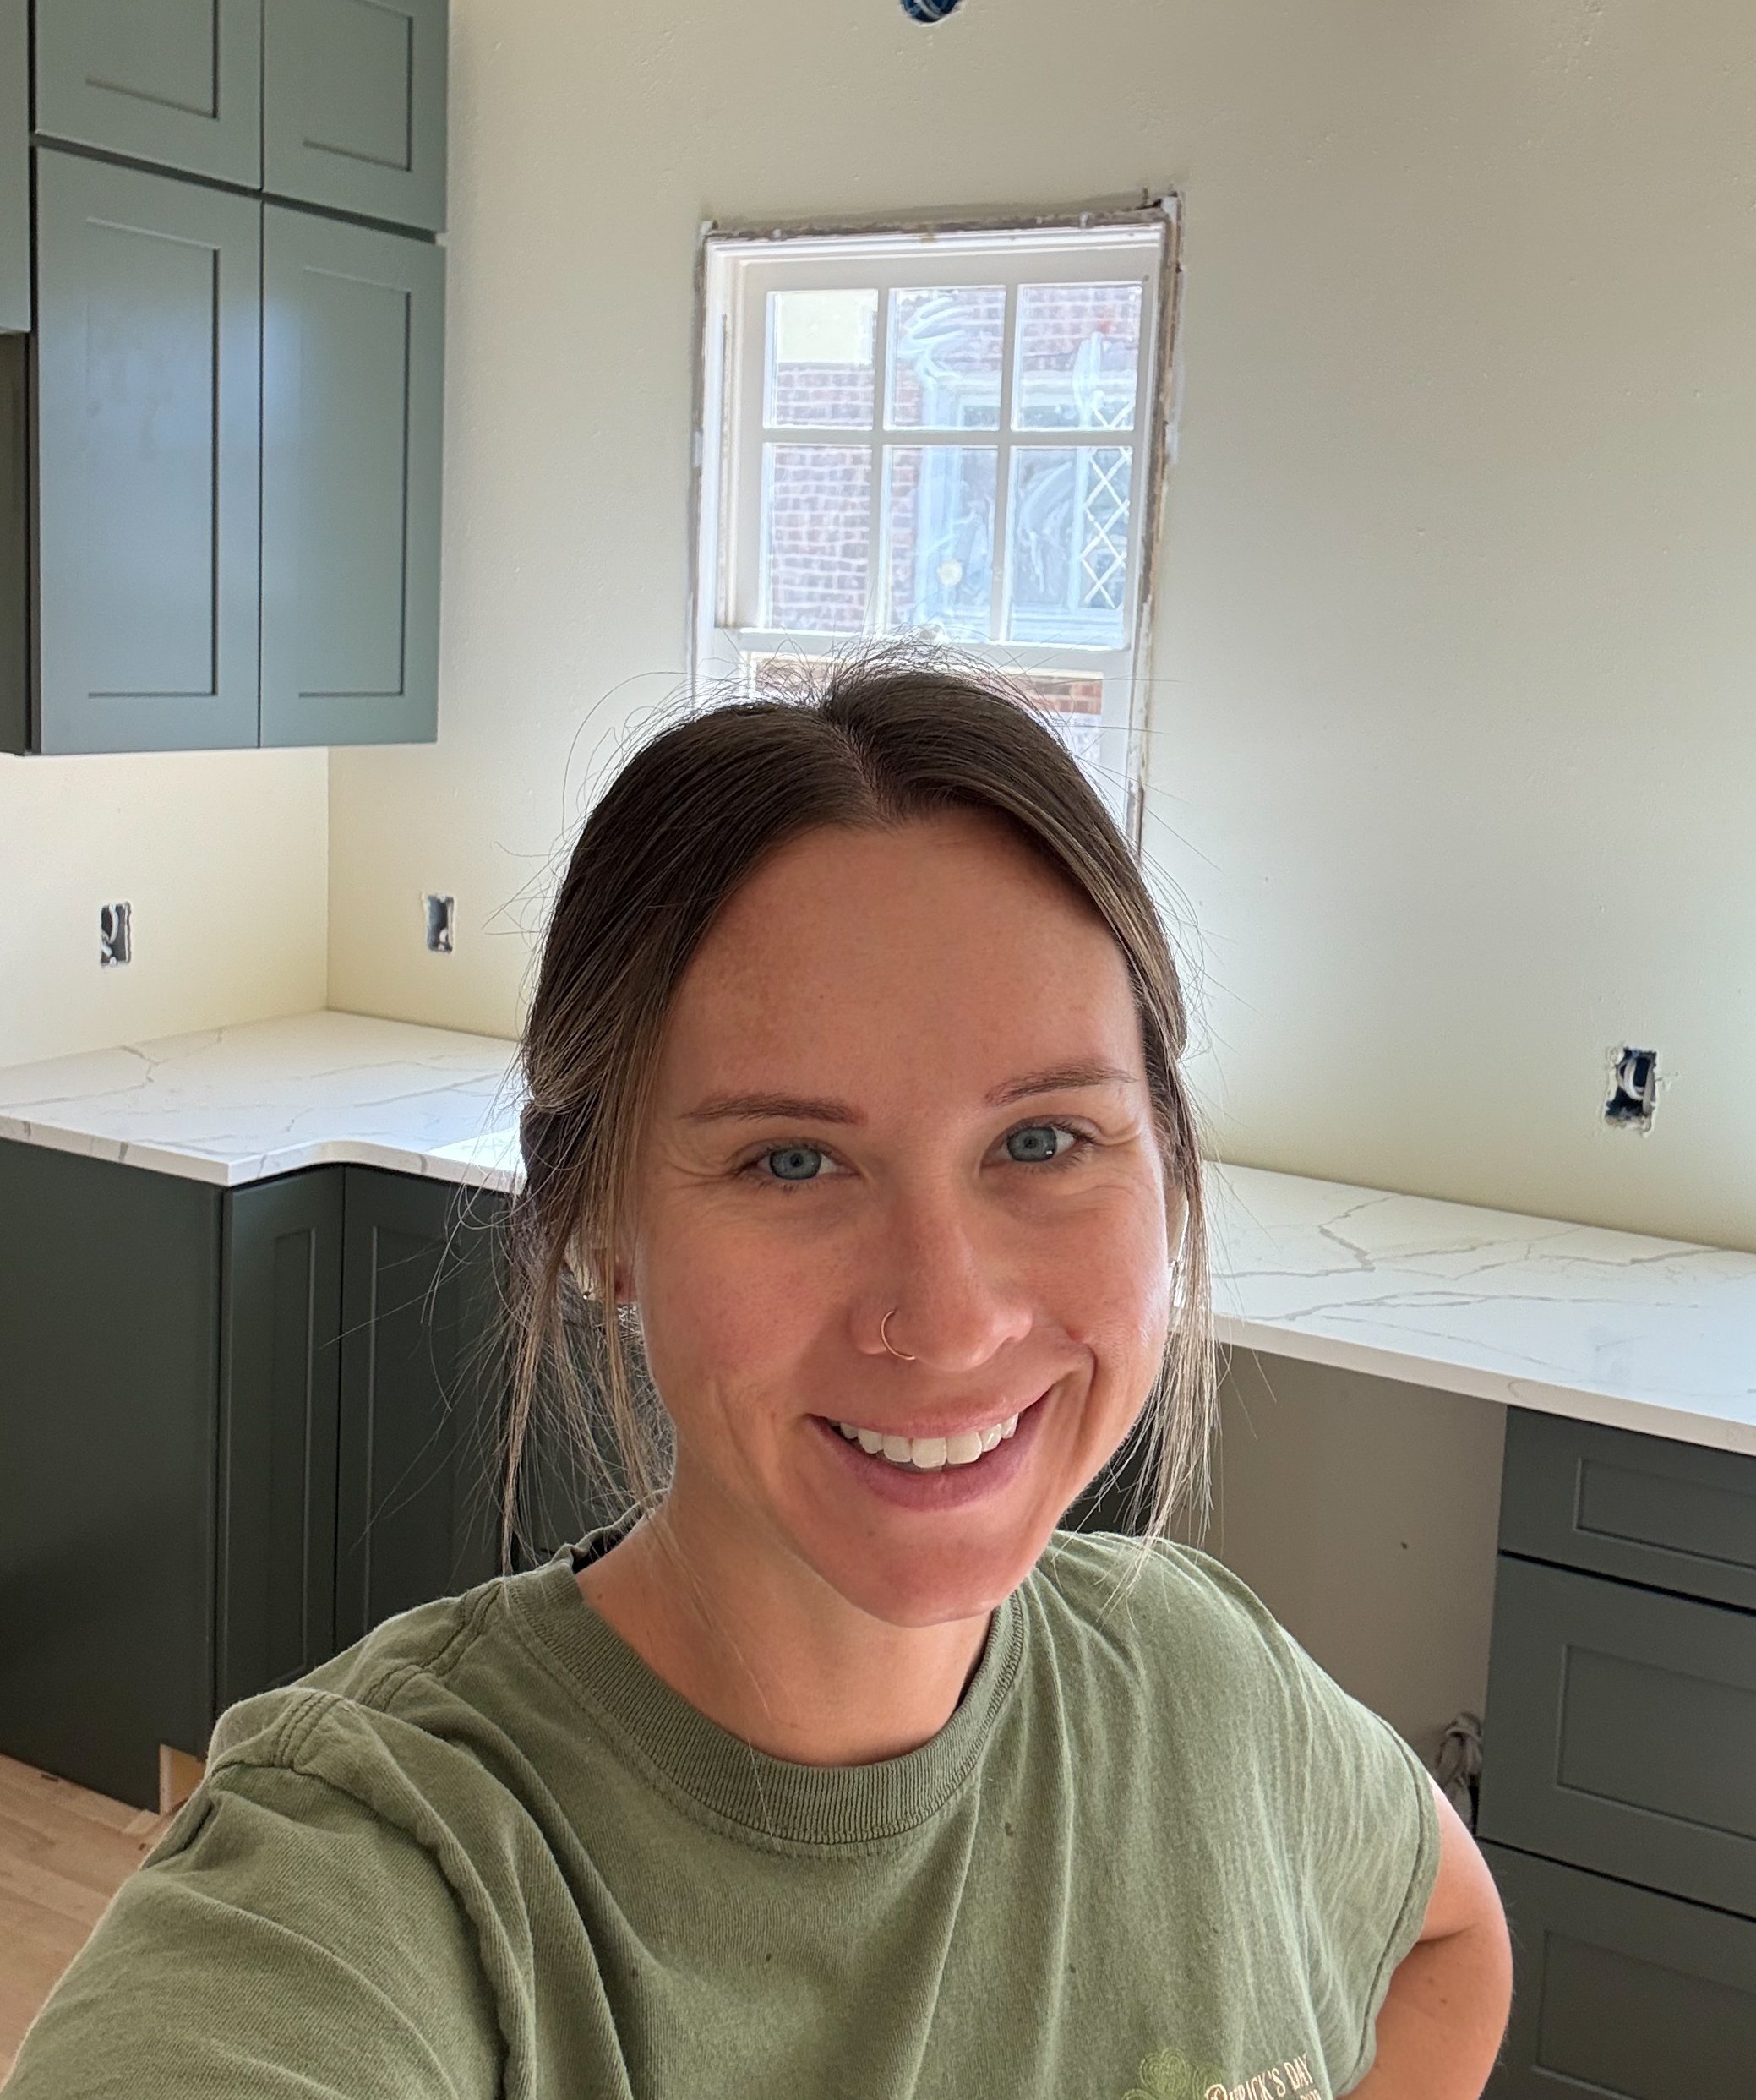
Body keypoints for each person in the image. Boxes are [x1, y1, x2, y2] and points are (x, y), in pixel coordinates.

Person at [9, 658, 1511, 2100]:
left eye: (1043, 1141)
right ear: (602, 1219)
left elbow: (1448, 1936)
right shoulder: (407, 1877)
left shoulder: (1205, 1682)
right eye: (789, 1160)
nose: (946, 1320)